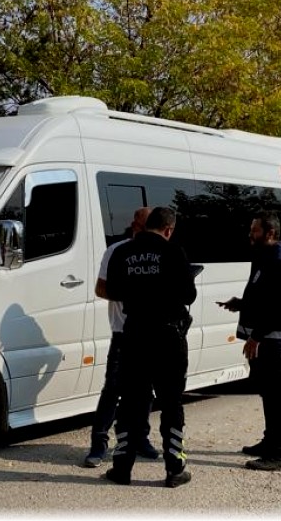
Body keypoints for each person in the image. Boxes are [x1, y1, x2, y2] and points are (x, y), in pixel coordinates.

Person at [102, 207, 197, 488]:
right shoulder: (173, 251)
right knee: (171, 403)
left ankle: (122, 468)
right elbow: (188, 294)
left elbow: (113, 291)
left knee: (130, 403)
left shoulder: (122, 252)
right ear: (169, 229)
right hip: (168, 336)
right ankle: (174, 468)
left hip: (134, 335)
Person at [218, 212, 281, 472]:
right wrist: (240, 304)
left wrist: (257, 336)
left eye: (255, 230)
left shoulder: (280, 261)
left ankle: (278, 454)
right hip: (264, 339)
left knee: (278, 397)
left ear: (270, 233)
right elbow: (264, 296)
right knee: (268, 394)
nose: (250, 234)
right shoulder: (265, 256)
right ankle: (269, 441)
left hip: (272, 341)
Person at [83, 207, 161, 468]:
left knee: (146, 391)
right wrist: (135, 293)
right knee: (113, 389)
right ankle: (98, 445)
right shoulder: (117, 251)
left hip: (152, 332)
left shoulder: (161, 252)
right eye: (139, 224)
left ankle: (140, 439)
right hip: (123, 332)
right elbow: (100, 288)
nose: (140, 229)